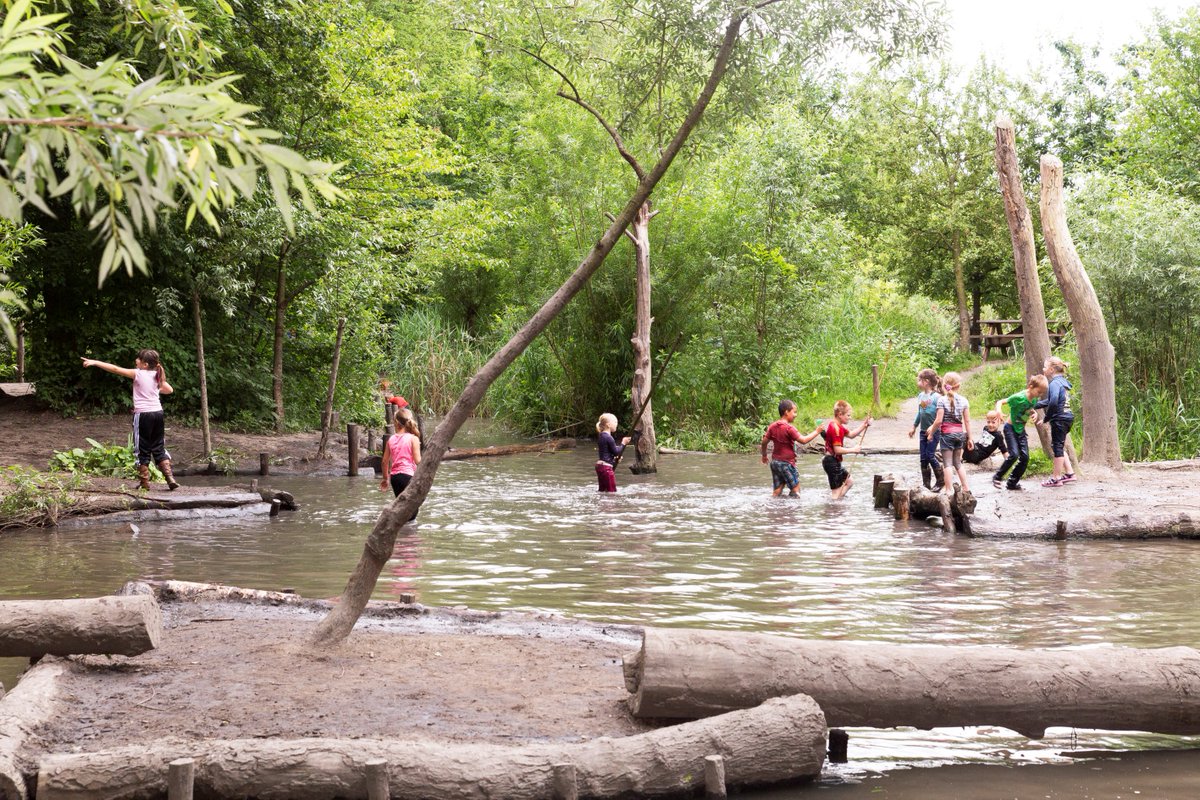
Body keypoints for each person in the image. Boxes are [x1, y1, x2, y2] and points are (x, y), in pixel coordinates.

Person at [81, 349, 179, 491]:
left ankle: (145, 483)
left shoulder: (138, 373)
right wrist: (154, 390)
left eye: (138, 359)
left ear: (145, 364)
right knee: (158, 446)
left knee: (142, 448)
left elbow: (115, 369)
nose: (136, 361)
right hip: (158, 413)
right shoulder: (157, 375)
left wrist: (95, 362)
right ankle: (170, 478)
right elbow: (169, 390)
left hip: (143, 415)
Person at [993, 374, 1048, 491]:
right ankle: (997, 476)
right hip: (1010, 429)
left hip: (1021, 430)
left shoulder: (1033, 399)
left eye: (1042, 393)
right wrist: (998, 411)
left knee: (1025, 457)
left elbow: (1029, 408)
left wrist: (1035, 413)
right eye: (1039, 392)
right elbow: (1000, 402)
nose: (1040, 395)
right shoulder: (1019, 397)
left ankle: (1012, 482)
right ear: (1030, 386)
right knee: (1014, 454)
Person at [760, 399, 821, 497]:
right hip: (787, 464)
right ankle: (791, 510)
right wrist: (817, 431)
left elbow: (764, 442)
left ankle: (773, 508)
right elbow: (804, 440)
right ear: (786, 412)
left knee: (777, 491)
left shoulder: (772, 426)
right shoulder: (789, 429)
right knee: (796, 491)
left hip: (775, 463)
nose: (796, 415)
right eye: (794, 412)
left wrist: (764, 455)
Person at [927, 371, 973, 494]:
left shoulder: (942, 400)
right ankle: (966, 488)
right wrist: (970, 438)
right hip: (960, 435)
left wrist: (931, 433)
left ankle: (948, 489)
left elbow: (938, 421)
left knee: (947, 463)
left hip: (947, 435)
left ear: (944, 385)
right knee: (958, 462)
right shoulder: (964, 401)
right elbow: (967, 422)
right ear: (958, 386)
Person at [1037, 356, 1076, 487]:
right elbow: (1051, 401)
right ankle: (1070, 473)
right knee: (1058, 445)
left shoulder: (1054, 383)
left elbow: (1053, 402)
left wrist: (1046, 418)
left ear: (1052, 369)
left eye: (1045, 367)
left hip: (1059, 419)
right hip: (1067, 417)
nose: (1043, 369)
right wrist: (1033, 405)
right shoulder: (1062, 382)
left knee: (1057, 447)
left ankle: (1056, 478)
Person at [821, 400, 871, 501]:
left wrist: (864, 425)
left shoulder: (838, 426)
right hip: (831, 461)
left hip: (834, 461)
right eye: (848, 415)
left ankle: (837, 502)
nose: (850, 417)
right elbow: (837, 450)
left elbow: (851, 435)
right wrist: (853, 450)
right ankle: (834, 506)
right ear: (840, 414)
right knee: (836, 492)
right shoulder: (835, 428)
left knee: (849, 481)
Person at [379, 406, 422, 520]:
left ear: (396, 422)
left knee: (402, 506)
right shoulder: (413, 439)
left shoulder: (391, 439)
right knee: (412, 510)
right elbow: (418, 461)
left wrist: (385, 479)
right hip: (408, 476)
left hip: (395, 478)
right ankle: (408, 534)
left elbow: (384, 462)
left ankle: (400, 530)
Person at [907, 368, 944, 490]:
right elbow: (920, 412)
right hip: (922, 432)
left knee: (930, 455)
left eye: (919, 380)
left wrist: (932, 428)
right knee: (923, 458)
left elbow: (940, 417)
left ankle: (940, 480)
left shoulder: (937, 397)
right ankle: (926, 484)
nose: (917, 382)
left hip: (934, 432)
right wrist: (914, 426)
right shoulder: (921, 396)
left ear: (926, 381)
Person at [595, 413, 631, 493]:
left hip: (600, 466)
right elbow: (616, 452)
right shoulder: (609, 437)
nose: (616, 424)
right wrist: (623, 443)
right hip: (606, 468)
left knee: (602, 491)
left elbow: (608, 452)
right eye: (615, 422)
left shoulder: (601, 435)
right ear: (608, 424)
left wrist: (614, 460)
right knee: (612, 492)